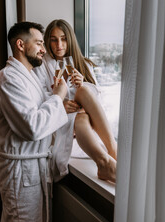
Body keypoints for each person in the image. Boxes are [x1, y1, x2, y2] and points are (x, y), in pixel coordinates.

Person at [0, 21, 69, 222]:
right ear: (21, 45)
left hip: (32, 167)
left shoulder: (28, 77)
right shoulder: (8, 79)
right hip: (20, 170)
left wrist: (58, 100)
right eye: (40, 43)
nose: (44, 49)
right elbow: (33, 127)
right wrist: (58, 97)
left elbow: (40, 112)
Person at [33, 19, 117, 176]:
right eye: (54, 39)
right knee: (81, 109)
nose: (59, 45)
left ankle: (109, 158)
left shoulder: (83, 64)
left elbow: (99, 103)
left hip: (84, 127)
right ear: (48, 42)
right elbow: (37, 96)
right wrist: (60, 104)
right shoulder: (41, 66)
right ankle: (108, 160)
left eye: (63, 39)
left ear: (70, 39)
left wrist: (82, 83)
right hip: (59, 124)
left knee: (83, 95)